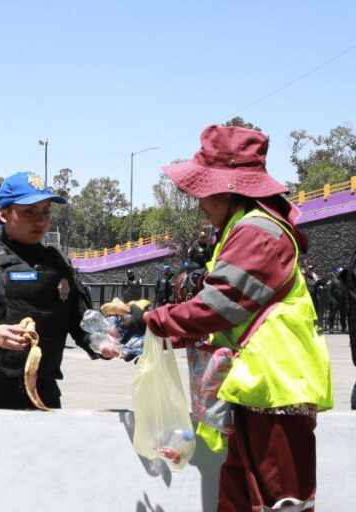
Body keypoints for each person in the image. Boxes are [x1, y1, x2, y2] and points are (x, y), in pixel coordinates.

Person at [118, 125, 332, 511]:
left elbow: (219, 306)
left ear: (230, 189)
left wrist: (154, 321)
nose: (199, 202)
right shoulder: (242, 227)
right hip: (258, 390)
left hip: (277, 388)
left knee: (279, 502)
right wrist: (161, 331)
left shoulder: (256, 232)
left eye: (203, 190)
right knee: (237, 498)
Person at [0, 171, 113, 410]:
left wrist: (101, 344)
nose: (40, 221)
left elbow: (79, 324)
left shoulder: (59, 265)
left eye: (46, 212)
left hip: (43, 396)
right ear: (4, 214)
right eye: (29, 212)